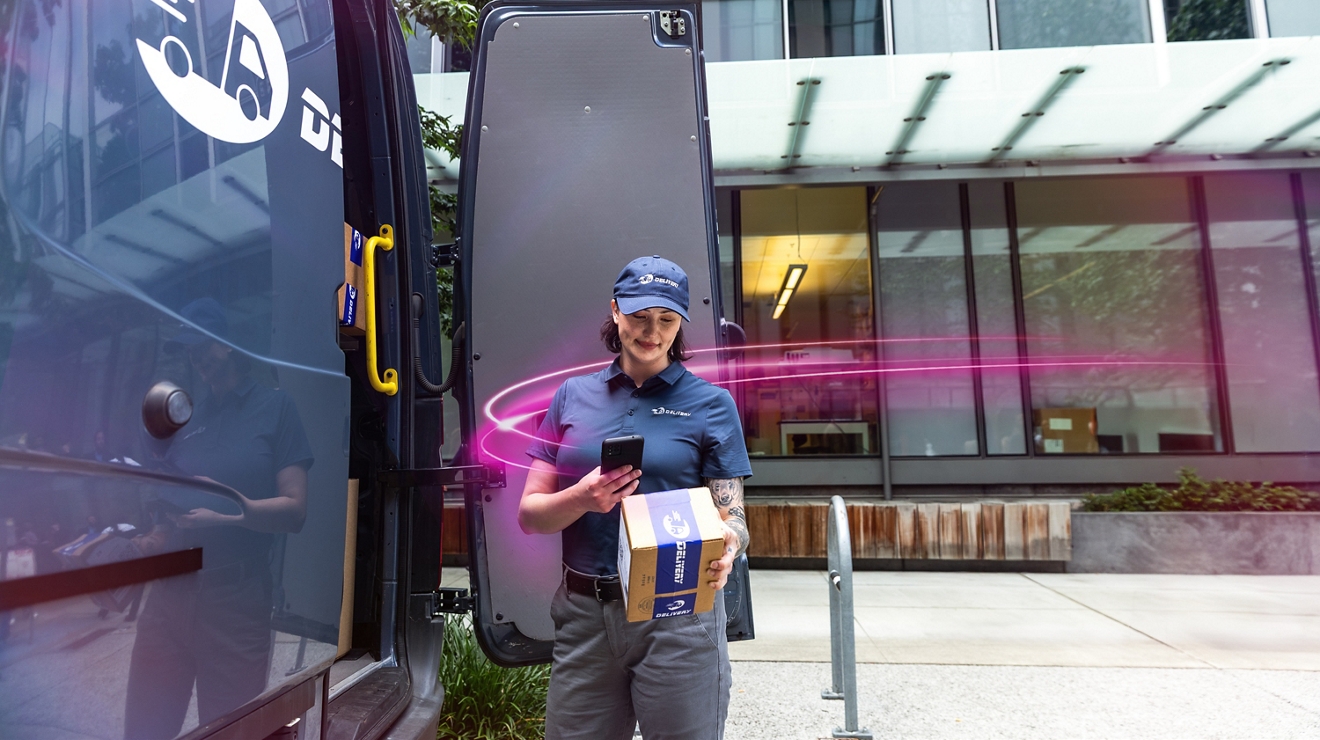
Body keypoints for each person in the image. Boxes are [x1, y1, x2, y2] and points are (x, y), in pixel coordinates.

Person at [518, 256, 753, 740]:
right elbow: (530, 517)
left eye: (667, 320)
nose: (652, 331)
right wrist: (582, 497)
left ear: (681, 324)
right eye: (640, 316)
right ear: (616, 312)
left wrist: (730, 542)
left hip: (680, 614)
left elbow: (734, 517)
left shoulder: (712, 405)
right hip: (587, 616)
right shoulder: (571, 396)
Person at [123, 298, 313, 740]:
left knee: (232, 733)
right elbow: (175, 507)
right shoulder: (189, 420)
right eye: (187, 350)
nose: (195, 357)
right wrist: (151, 536)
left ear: (227, 345)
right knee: (143, 731)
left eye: (200, 345)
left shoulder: (275, 408)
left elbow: (296, 510)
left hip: (235, 603)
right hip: (168, 599)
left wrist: (228, 511)